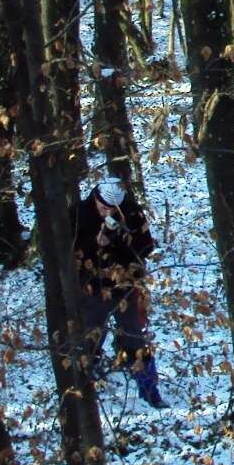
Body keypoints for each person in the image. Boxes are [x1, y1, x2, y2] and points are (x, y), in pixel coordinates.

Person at [72, 174, 164, 407]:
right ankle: (83, 387)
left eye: (112, 210)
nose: (106, 213)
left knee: (134, 333)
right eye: (103, 208)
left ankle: (149, 389)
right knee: (92, 334)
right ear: (96, 199)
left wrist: (120, 242)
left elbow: (145, 246)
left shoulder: (131, 213)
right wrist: (96, 244)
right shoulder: (79, 214)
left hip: (125, 284)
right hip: (94, 286)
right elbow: (71, 253)